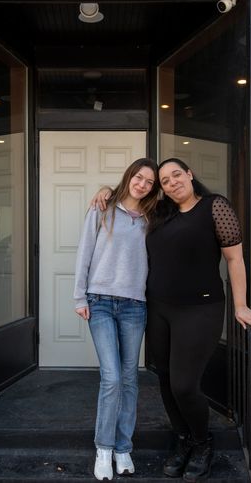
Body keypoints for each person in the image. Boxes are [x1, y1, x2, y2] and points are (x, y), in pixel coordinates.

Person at [93, 157, 251, 482]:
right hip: (158, 308)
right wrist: (106, 191)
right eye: (165, 181)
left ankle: (201, 443)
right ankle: (183, 442)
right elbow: (129, 204)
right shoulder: (160, 214)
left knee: (184, 384)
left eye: (176, 175)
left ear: (190, 175)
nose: (171, 183)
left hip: (200, 309)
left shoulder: (214, 206)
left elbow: (235, 259)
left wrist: (242, 305)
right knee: (166, 380)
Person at [73, 157, 160, 481]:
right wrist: (79, 296)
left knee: (129, 378)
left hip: (135, 305)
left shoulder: (152, 217)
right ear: (130, 176)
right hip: (101, 302)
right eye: (139, 177)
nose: (142, 184)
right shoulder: (103, 207)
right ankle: (104, 449)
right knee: (111, 378)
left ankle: (124, 447)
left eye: (149, 182)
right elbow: (85, 251)